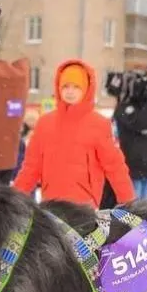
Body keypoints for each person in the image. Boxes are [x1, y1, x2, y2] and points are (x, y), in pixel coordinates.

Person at [13, 59, 135, 208]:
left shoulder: (99, 124)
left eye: (76, 87)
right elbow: (31, 167)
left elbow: (114, 166)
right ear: (58, 88)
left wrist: (128, 200)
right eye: (65, 86)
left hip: (85, 206)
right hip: (51, 203)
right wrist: (14, 199)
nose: (70, 91)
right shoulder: (45, 123)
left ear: (86, 89)